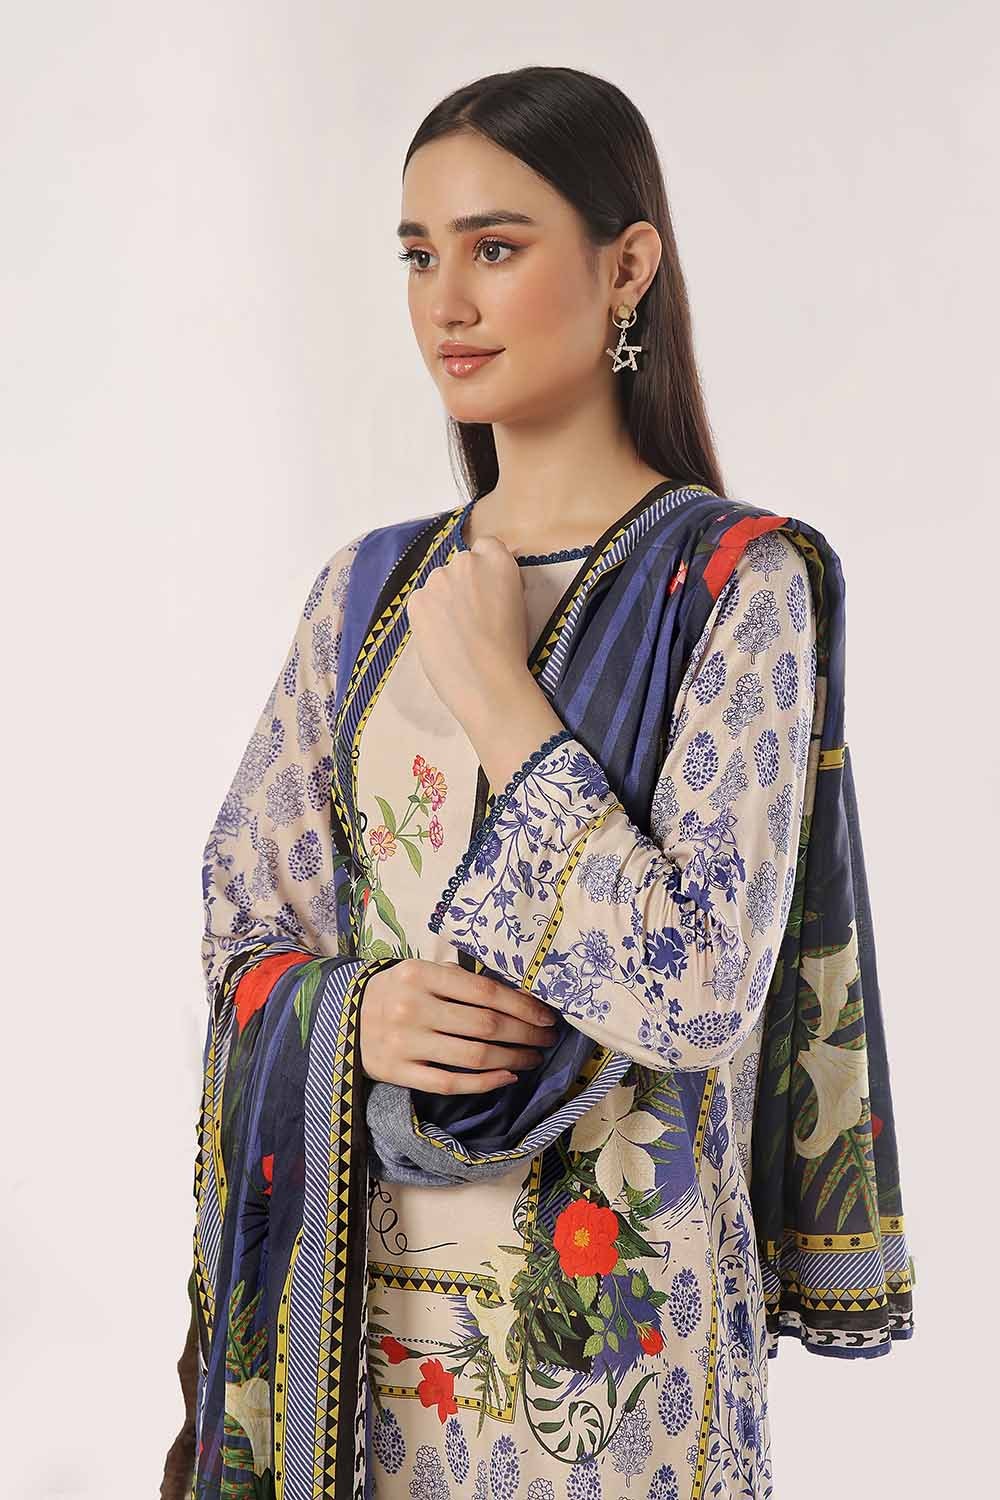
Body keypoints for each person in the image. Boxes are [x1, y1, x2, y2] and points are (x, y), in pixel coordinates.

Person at [163, 65, 914, 1500]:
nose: (446, 302)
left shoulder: (732, 586)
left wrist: (504, 702)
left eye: (495, 248)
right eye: (418, 255)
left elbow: (699, 985)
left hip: (616, 1363)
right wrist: (356, 1013)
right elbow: (242, 924)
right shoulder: (365, 596)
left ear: (628, 266)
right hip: (360, 1353)